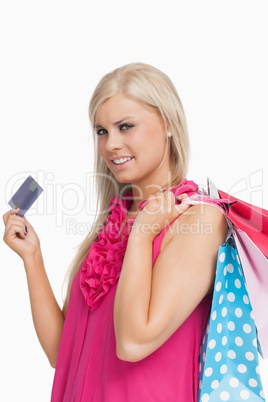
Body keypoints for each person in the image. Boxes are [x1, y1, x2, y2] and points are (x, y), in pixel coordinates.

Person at [2, 62, 229, 401]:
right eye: (102, 132)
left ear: (168, 124)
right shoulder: (112, 224)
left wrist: (141, 235)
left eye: (126, 127)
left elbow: (134, 342)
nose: (111, 145)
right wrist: (32, 258)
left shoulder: (199, 220)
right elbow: (60, 353)